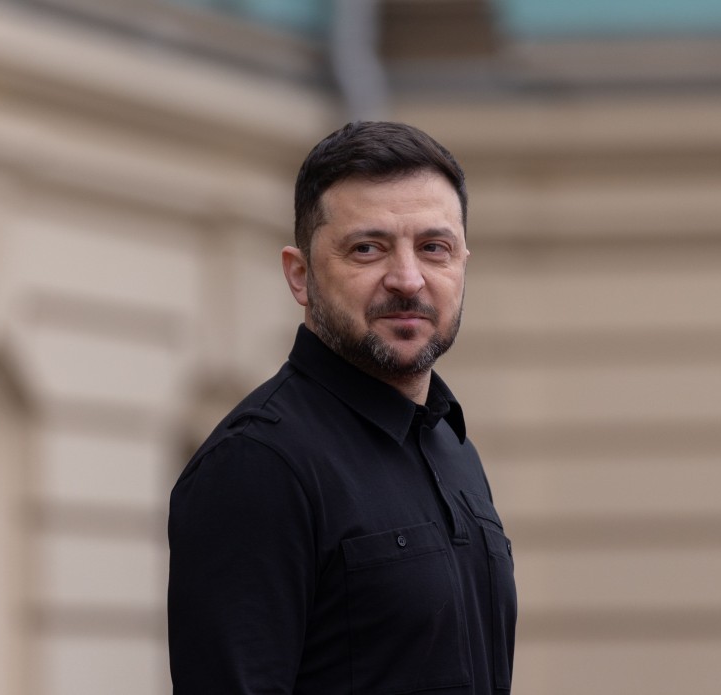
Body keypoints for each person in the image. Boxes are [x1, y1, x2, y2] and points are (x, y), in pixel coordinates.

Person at [168, 121, 517, 694]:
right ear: (300, 275)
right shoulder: (257, 465)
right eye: (367, 248)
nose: (407, 280)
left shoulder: (454, 450)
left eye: (434, 248)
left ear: (461, 265)